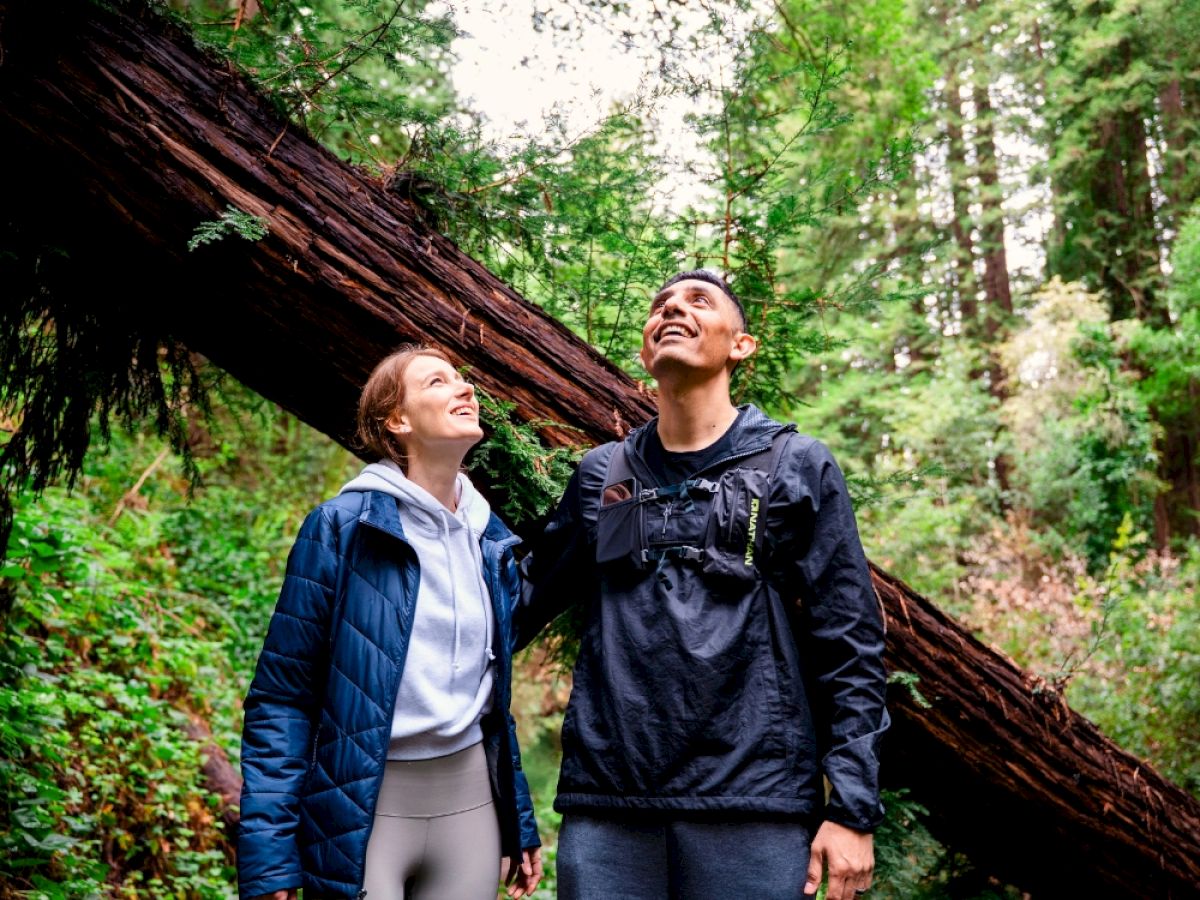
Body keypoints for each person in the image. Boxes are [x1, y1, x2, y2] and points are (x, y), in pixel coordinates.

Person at [516, 271, 888, 900]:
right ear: (644, 353)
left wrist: (852, 807)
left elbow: (848, 641)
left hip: (754, 807)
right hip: (609, 810)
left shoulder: (796, 465)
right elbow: (516, 603)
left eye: (697, 301)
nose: (672, 310)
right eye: (660, 306)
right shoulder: (601, 474)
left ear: (739, 345)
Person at [238, 346, 543, 900]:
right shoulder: (340, 528)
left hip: (469, 804)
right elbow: (282, 698)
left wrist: (517, 815)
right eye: (437, 382)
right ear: (397, 422)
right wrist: (269, 855)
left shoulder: (491, 538)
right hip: (361, 805)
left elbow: (493, 699)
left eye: (463, 380)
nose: (465, 389)